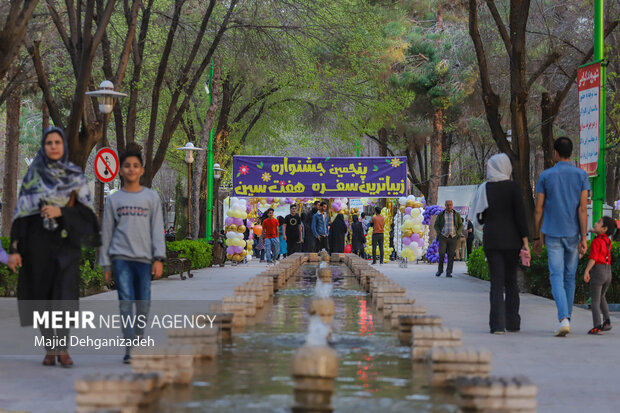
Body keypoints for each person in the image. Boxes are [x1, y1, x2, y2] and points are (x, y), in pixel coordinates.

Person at [8, 127, 99, 367]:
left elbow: (86, 215)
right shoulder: (32, 177)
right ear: (44, 146)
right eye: (49, 142)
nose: (54, 146)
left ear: (63, 146)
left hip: (66, 245)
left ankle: (63, 348)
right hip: (38, 246)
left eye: (58, 142)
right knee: (43, 300)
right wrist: (15, 250)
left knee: (64, 298)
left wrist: (62, 211)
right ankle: (50, 348)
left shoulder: (75, 176)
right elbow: (21, 216)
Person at [100, 143, 166, 363]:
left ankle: (138, 337)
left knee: (143, 303)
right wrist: (106, 264)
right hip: (121, 259)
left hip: (144, 259)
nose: (131, 169)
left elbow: (157, 229)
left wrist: (158, 258)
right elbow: (107, 232)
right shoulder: (114, 200)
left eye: (135, 165)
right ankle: (130, 347)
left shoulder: (151, 198)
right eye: (127, 166)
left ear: (141, 170)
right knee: (126, 302)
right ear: (121, 170)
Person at [533, 137, 589, 337]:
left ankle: (563, 318)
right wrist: (584, 237)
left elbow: (538, 210)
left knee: (556, 276)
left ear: (555, 153)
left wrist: (537, 237)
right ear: (571, 153)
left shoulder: (546, 176)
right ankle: (567, 319)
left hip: (552, 233)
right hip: (574, 233)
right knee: (569, 277)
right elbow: (582, 209)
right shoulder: (581, 175)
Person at [469, 153, 529, 334]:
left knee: (496, 283)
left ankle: (497, 325)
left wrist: (487, 221)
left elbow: (479, 217)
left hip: (492, 240)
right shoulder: (513, 187)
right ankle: (513, 323)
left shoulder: (484, 188)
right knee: (511, 282)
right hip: (512, 241)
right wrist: (525, 242)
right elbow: (520, 216)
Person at [583, 216, 616, 334]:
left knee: (595, 301)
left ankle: (597, 325)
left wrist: (587, 271)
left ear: (604, 228)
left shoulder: (596, 241)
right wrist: (594, 230)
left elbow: (593, 258)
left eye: (598, 222)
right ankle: (607, 321)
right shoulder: (607, 240)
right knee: (602, 297)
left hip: (598, 271)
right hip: (608, 272)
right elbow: (600, 234)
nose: (596, 223)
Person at [434, 200, 463, 277]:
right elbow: (436, 225)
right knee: (441, 254)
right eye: (447, 205)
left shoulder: (456, 214)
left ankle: (449, 272)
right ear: (445, 205)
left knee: (451, 255)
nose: (449, 206)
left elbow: (460, 225)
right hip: (443, 237)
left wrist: (458, 233)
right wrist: (439, 233)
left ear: (452, 205)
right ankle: (440, 271)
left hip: (453, 237)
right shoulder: (441, 214)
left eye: (450, 205)